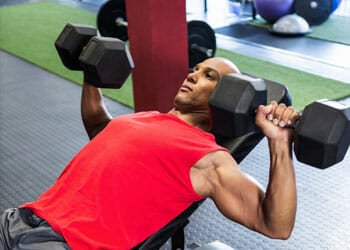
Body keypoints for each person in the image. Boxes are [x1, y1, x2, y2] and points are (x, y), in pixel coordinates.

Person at [0, 57, 299, 250]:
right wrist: (92, 73)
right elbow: (99, 128)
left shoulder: (209, 157)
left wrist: (280, 144)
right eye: (195, 69)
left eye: (209, 76)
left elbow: (275, 224)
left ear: (228, 96)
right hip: (21, 219)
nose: (192, 75)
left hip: (64, 245)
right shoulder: (146, 118)